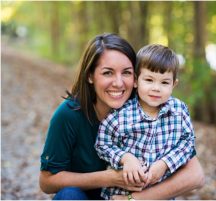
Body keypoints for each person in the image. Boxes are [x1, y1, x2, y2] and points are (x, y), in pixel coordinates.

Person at [39, 33, 205, 200]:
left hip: (136, 197)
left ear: (135, 77)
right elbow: (47, 182)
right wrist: (112, 177)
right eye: (108, 73)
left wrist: (135, 199)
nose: (118, 83)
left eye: (126, 72)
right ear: (90, 75)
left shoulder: (151, 104)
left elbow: (195, 175)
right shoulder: (69, 115)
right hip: (89, 196)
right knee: (69, 195)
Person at [95, 44, 195, 200]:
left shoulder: (178, 110)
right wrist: (125, 158)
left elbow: (187, 143)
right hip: (120, 194)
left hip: (160, 196)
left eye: (164, 83)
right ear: (135, 81)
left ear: (174, 84)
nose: (156, 88)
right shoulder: (120, 115)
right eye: (149, 80)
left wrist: (165, 164)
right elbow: (103, 144)